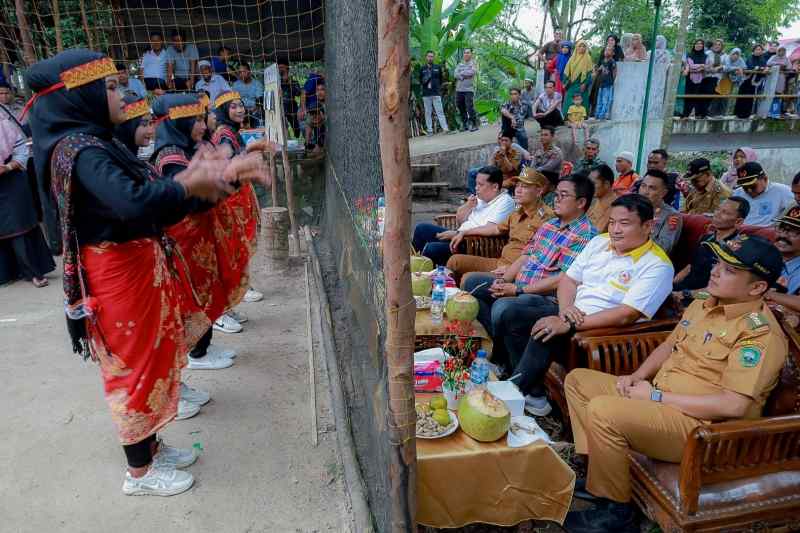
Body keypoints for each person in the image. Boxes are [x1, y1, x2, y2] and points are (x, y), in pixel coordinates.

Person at [27, 49, 268, 496]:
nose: (123, 94)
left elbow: (161, 199)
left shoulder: (101, 145)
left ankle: (152, 447)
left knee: (155, 354)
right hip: (116, 275)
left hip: (138, 266)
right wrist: (185, 183)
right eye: (113, 86)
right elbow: (135, 201)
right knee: (133, 367)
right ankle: (139, 471)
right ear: (81, 95)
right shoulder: (79, 151)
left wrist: (226, 176)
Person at [563, 234, 787, 533]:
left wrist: (653, 397)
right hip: (663, 400)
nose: (715, 271)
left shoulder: (759, 335)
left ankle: (615, 513)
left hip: (703, 429)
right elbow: (668, 346)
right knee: (579, 381)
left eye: (730, 270)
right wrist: (638, 376)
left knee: (604, 410)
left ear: (757, 287)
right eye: (718, 263)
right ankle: (599, 473)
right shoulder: (706, 303)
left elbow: (733, 405)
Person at [506, 194, 674, 416]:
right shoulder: (599, 242)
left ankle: (509, 397)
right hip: (571, 312)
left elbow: (627, 315)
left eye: (624, 223)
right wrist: (565, 311)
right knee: (511, 312)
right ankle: (534, 392)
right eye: (612, 222)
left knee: (545, 329)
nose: (615, 229)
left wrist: (570, 324)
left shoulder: (657, 266)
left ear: (647, 226)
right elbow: (569, 280)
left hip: (606, 333)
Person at [151, 93, 258, 363]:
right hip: (186, 240)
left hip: (200, 236)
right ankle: (197, 352)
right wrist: (233, 178)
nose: (203, 124)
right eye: (196, 119)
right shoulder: (170, 157)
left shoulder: (188, 149)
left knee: (208, 289)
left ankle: (205, 346)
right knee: (194, 295)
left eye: (202, 117)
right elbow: (194, 201)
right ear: (179, 122)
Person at [463, 174, 596, 373]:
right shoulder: (549, 225)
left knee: (503, 308)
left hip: (545, 296)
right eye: (556, 194)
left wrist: (517, 289)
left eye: (563, 195)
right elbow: (526, 256)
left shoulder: (585, 235)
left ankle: (507, 364)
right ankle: (503, 355)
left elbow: (562, 279)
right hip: (519, 284)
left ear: (581, 202)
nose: (556, 199)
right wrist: (504, 280)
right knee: (473, 284)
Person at [447, 168, 554, 279]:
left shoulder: (547, 218)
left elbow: (544, 255)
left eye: (525, 187)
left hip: (519, 272)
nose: (518, 190)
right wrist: (464, 233)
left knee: (469, 279)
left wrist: (512, 269)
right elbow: (495, 229)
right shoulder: (516, 214)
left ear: (539, 191)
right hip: (500, 263)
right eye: (517, 186)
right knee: (455, 261)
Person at [0, 95, 54, 287]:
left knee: (18, 227)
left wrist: (8, 167)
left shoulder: (2, 117)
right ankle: (9, 272)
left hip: (11, 178)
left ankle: (33, 271)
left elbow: (20, 144)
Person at [413, 166, 514, 265]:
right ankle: (412, 267)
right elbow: (460, 221)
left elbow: (491, 229)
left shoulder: (505, 202)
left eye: (480, 185)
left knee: (432, 248)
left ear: (495, 187)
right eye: (476, 184)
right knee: (421, 229)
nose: (476, 188)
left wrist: (462, 233)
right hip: (461, 235)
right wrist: (468, 206)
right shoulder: (482, 197)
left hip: (475, 245)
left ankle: (425, 273)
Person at [673, 197, 748, 297]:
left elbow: (722, 289)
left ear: (738, 222)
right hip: (684, 289)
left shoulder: (737, 249)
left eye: (725, 212)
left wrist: (684, 294)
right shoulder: (706, 238)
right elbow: (690, 267)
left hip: (704, 297)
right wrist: (671, 285)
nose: (717, 214)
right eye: (718, 209)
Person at [762, 206, 800, 312]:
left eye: (794, 231)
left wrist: (760, 292)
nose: (783, 235)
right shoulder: (762, 254)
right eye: (782, 228)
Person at [732, 162, 794, 227]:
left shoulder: (782, 191)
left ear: (765, 178)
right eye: (745, 187)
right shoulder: (738, 193)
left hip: (766, 233)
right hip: (740, 232)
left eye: (752, 186)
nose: (749, 190)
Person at [639, 169, 682, 254]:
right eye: (643, 186)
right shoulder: (631, 208)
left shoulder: (672, 216)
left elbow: (663, 248)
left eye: (652, 188)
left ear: (663, 193)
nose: (645, 192)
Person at [735, 45, 769, 119]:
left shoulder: (762, 59)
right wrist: (759, 68)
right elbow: (749, 66)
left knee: (750, 99)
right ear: (753, 50)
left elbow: (764, 68)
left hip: (754, 82)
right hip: (746, 81)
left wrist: (761, 68)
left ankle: (747, 114)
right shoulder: (750, 58)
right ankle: (739, 114)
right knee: (742, 98)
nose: (758, 51)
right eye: (757, 49)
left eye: (760, 49)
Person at [420, 50, 448, 135]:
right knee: (427, 112)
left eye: (432, 56)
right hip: (426, 94)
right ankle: (430, 130)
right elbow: (420, 80)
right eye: (429, 56)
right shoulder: (422, 68)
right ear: (426, 57)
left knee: (440, 111)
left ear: (434, 57)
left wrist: (437, 88)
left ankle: (445, 128)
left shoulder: (437, 67)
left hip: (436, 93)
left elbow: (440, 79)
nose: (430, 58)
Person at [562, 41, 593, 116]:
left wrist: (585, 84)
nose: (582, 48)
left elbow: (589, 73)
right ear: (577, 47)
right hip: (572, 83)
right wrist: (565, 81)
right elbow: (566, 71)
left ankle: (582, 117)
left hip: (581, 84)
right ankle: (567, 117)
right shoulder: (572, 58)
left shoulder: (588, 58)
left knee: (582, 100)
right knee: (569, 99)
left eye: (584, 46)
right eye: (580, 46)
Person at [683, 39, 711, 118]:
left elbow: (708, 67)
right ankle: (685, 115)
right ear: (694, 45)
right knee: (688, 97)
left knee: (697, 98)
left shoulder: (705, 56)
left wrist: (701, 67)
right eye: (697, 43)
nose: (699, 45)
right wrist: (702, 65)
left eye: (700, 44)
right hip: (690, 80)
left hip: (702, 80)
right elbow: (691, 66)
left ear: (703, 46)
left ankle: (698, 115)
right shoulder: (689, 55)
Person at [232, 62, 264, 127]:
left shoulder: (257, 84)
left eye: (244, 71)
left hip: (254, 111)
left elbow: (259, 102)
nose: (242, 74)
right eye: (240, 72)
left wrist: (252, 111)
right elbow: (234, 101)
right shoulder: (235, 85)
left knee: (258, 118)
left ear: (249, 72)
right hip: (240, 111)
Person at [454, 48, 478, 132]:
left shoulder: (473, 63)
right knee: (460, 107)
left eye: (468, 53)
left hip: (469, 89)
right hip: (459, 90)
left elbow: (472, 72)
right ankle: (465, 125)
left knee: (469, 107)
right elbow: (455, 74)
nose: (466, 54)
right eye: (465, 53)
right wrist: (463, 75)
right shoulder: (460, 64)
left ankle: (474, 124)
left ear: (471, 54)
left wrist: (462, 73)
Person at [586, 164, 616, 232]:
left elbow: (596, 233)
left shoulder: (615, 207)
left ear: (606, 184)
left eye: (593, 184)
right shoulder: (595, 200)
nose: (589, 187)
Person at [277, 61, 302, 137]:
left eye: (282, 67)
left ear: (287, 69)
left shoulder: (293, 82)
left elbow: (298, 93)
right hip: (280, 108)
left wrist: (289, 82)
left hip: (292, 108)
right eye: (279, 68)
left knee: (296, 130)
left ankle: (297, 140)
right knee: (282, 129)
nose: (280, 69)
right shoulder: (276, 82)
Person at [767, 46, 791, 117]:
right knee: (771, 95)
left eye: (783, 51)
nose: (782, 52)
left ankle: (776, 112)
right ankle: (769, 112)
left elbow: (789, 67)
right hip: (772, 78)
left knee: (778, 95)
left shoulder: (786, 59)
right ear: (778, 51)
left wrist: (785, 67)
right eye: (780, 50)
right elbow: (768, 63)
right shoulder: (773, 57)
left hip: (781, 78)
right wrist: (777, 64)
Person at [722, 48, 747, 114]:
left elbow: (744, 67)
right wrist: (737, 68)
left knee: (733, 97)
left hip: (736, 81)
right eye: (734, 54)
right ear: (731, 53)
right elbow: (727, 68)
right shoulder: (727, 58)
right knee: (724, 96)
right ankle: (723, 112)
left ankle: (730, 112)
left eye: (737, 54)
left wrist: (737, 69)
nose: (735, 55)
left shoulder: (740, 59)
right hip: (725, 79)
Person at [594, 45, 617, 120]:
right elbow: (599, 70)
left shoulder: (612, 61)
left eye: (609, 50)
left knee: (605, 99)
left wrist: (612, 81)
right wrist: (597, 70)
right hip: (601, 84)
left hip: (608, 84)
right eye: (606, 50)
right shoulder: (603, 61)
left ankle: (603, 114)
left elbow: (614, 72)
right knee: (599, 99)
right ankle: (597, 114)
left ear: (613, 53)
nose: (607, 52)